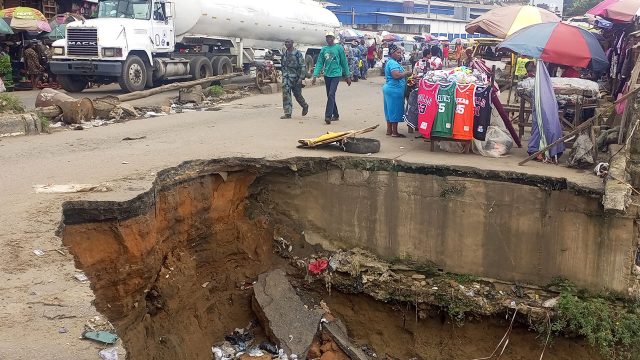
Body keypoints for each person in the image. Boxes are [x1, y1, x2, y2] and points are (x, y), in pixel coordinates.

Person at [312, 32, 351, 124]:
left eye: (330, 37)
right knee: (330, 95)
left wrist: (347, 76)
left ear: (333, 38)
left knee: (331, 94)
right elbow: (320, 62)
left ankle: (328, 116)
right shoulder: (324, 49)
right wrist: (315, 75)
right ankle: (336, 114)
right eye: (327, 37)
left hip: (336, 74)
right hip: (327, 74)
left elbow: (344, 62)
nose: (328, 39)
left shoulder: (339, 48)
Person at [383, 43, 412, 137]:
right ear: (392, 53)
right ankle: (394, 132)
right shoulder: (393, 63)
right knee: (395, 110)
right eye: (398, 53)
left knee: (389, 110)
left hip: (389, 88)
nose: (400, 54)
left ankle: (389, 130)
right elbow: (395, 75)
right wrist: (406, 73)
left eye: (401, 53)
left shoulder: (390, 62)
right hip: (394, 89)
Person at [280, 39, 309, 119]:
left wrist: (301, 78)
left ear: (292, 43)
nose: (286, 44)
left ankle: (305, 105)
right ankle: (287, 113)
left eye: (288, 42)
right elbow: (283, 65)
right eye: (285, 42)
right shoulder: (284, 53)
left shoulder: (297, 53)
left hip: (295, 78)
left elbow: (302, 66)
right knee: (286, 94)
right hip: (286, 77)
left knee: (297, 95)